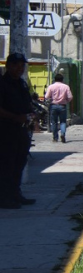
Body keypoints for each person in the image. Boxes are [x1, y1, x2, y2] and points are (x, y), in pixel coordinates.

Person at [0, 53, 36, 209]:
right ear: (8, 66)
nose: (19, 69)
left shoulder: (21, 84)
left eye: (22, 66)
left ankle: (15, 194)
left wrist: (31, 116)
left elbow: (27, 103)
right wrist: (15, 117)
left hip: (22, 130)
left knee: (19, 163)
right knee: (6, 165)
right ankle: (4, 198)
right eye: (16, 65)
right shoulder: (2, 84)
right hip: (6, 130)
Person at [45, 72, 73, 143]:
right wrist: (66, 101)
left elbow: (47, 96)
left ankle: (55, 138)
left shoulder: (51, 86)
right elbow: (70, 97)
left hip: (53, 105)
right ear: (62, 79)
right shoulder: (66, 87)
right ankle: (63, 134)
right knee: (63, 121)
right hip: (62, 106)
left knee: (54, 122)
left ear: (55, 79)